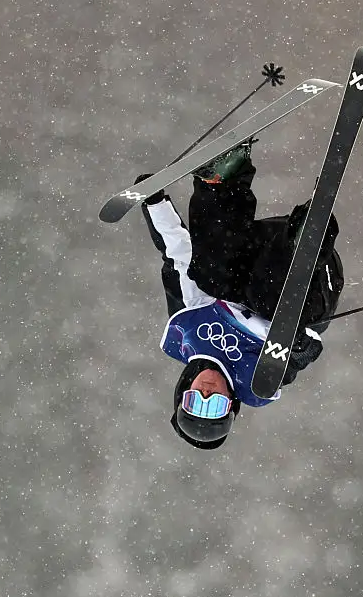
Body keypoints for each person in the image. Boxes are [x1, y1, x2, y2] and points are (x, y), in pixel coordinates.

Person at [136, 141, 343, 450]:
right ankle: (306, 242)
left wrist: (154, 204)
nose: (206, 393)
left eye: (195, 401)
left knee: (208, 275)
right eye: (214, 405)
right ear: (231, 403)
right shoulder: (256, 383)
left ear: (183, 391)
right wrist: (298, 346)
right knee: (265, 298)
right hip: (312, 285)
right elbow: (304, 354)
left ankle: (223, 181)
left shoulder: (186, 331)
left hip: (266, 242)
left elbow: (178, 255)